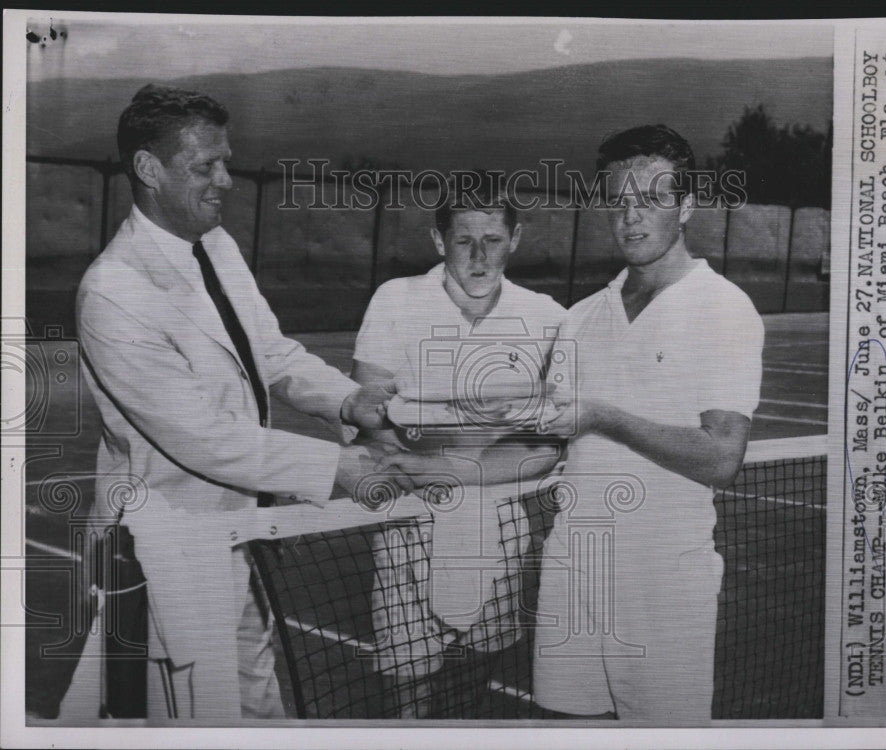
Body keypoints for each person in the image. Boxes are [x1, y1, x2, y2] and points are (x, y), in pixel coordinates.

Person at [70, 84, 405, 720]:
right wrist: (338, 467)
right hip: (158, 552)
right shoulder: (114, 292)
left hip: (234, 533)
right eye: (205, 166)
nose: (226, 179)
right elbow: (203, 438)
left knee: (255, 702)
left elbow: (271, 353)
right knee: (175, 720)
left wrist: (352, 402)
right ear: (147, 169)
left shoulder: (215, 244)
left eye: (225, 160)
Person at [531, 125, 764, 723]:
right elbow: (549, 447)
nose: (631, 218)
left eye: (652, 200)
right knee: (564, 729)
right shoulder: (581, 316)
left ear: (686, 206)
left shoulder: (723, 308)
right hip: (572, 572)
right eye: (619, 200)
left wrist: (603, 416)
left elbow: (720, 457)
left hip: (664, 588)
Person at [352, 177, 564, 717]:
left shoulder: (547, 316)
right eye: (463, 239)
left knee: (476, 679)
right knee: (408, 686)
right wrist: (459, 454)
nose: (478, 255)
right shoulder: (394, 300)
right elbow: (372, 418)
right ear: (438, 239)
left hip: (499, 520)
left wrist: (437, 459)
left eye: (492, 239)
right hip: (409, 520)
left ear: (515, 239)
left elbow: (547, 442)